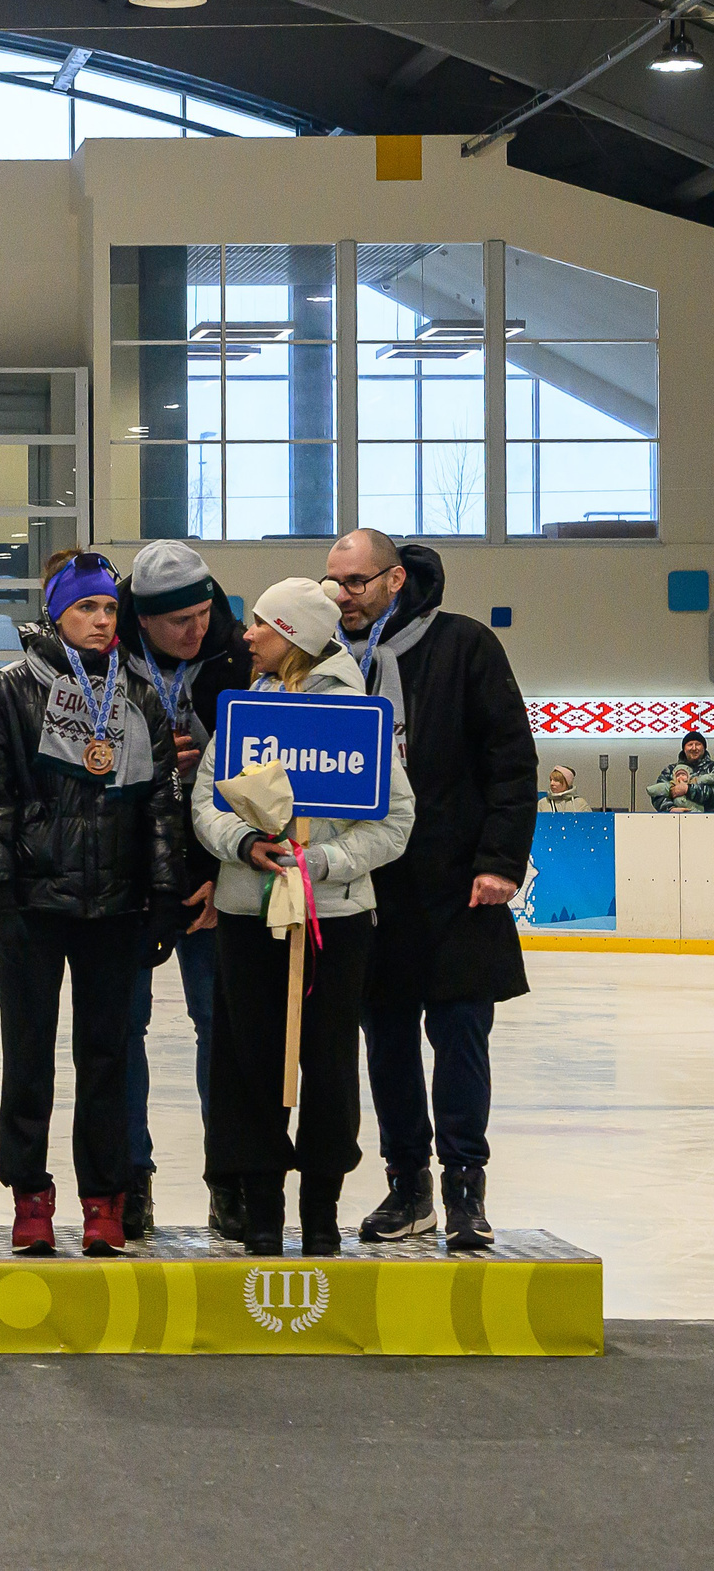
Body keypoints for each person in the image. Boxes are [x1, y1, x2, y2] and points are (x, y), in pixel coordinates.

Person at [0, 547, 187, 1259]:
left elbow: (159, 806)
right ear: (57, 613)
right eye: (87, 606)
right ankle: (30, 1194)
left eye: (110, 608)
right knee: (27, 1054)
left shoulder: (138, 696)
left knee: (107, 1058)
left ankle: (103, 1199)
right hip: (31, 903)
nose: (101, 619)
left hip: (114, 907)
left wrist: (162, 895)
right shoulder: (8, 691)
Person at [324, 530, 535, 1251]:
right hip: (371, 885)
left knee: (460, 1035)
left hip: (457, 884)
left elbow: (510, 756)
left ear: (394, 581)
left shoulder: (465, 645)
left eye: (354, 581)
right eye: (333, 582)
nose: (340, 595)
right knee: (384, 1040)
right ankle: (407, 1182)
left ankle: (464, 1188)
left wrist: (501, 857)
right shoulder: (329, 661)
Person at [192, 580, 415, 1257]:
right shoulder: (246, 710)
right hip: (245, 913)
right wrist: (242, 843)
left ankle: (321, 1207)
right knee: (248, 1058)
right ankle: (261, 1205)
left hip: (336, 919)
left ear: (293, 634)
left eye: (260, 625)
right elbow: (206, 800)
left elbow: (396, 820)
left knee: (328, 1060)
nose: (247, 636)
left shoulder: (358, 715)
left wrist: (321, 863)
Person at [113, 540, 253, 1239]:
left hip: (213, 881)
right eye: (178, 622)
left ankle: (228, 1180)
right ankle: (129, 1180)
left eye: (204, 613)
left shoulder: (240, 661)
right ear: (141, 618)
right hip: (129, 881)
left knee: (221, 1032)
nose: (196, 629)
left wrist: (217, 878)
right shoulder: (101, 662)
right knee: (120, 1031)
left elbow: (268, 789)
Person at [648, 733, 713, 812]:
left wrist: (688, 790)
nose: (694, 748)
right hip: (674, 820)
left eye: (698, 744)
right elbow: (658, 794)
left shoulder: (711, 768)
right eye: (690, 744)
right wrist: (671, 809)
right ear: (684, 748)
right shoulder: (671, 770)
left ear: (704, 748)